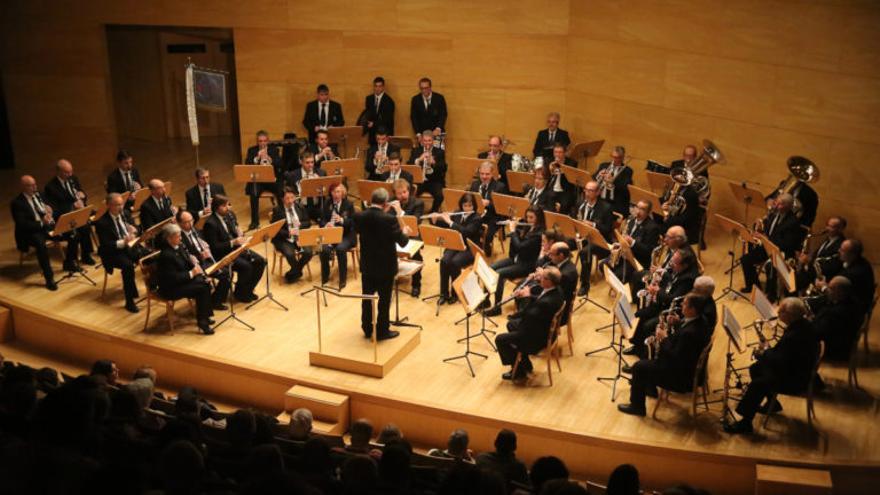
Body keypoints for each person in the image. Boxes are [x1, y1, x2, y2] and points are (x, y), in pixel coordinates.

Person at [724, 297, 820, 434]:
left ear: (790, 315)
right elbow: (785, 355)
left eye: (781, 311)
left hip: (796, 378)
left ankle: (745, 423)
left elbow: (781, 361)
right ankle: (772, 403)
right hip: (797, 367)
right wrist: (768, 352)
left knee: (758, 384)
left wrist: (763, 353)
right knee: (755, 368)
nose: (777, 313)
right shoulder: (802, 325)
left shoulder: (795, 335)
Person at [618, 293, 712, 416]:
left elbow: (675, 357)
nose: (682, 305)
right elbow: (684, 344)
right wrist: (677, 323)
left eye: (685, 304)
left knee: (639, 367)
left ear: (693, 309)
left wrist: (664, 338)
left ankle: (637, 407)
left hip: (679, 377)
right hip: (688, 367)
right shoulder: (701, 321)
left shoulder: (690, 333)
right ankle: (649, 387)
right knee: (647, 361)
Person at [353, 188, 411, 340]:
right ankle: (382, 331)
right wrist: (404, 229)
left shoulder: (360, 216)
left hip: (367, 265)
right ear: (386, 203)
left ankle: (366, 328)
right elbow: (403, 242)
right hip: (385, 267)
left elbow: (359, 231)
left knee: (367, 298)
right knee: (384, 301)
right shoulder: (389, 219)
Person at [625, 249, 699, 358]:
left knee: (647, 325)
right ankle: (637, 346)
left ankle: (644, 356)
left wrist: (657, 291)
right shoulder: (680, 270)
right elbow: (671, 283)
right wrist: (663, 275)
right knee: (641, 314)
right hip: (665, 302)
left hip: (673, 311)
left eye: (674, 263)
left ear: (684, 265)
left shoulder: (687, 279)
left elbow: (673, 299)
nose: (671, 265)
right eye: (671, 261)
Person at [495, 267, 564, 381]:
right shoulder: (557, 290)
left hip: (536, 337)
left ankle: (519, 371)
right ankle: (525, 362)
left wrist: (526, 298)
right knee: (511, 325)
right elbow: (539, 302)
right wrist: (529, 296)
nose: (540, 278)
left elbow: (528, 314)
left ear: (549, 281)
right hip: (542, 327)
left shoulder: (545, 303)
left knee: (500, 339)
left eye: (543, 277)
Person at [201, 194, 266, 302]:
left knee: (260, 261)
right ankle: (240, 293)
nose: (228, 208)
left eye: (228, 205)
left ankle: (247, 290)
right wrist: (233, 242)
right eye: (225, 206)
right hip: (223, 254)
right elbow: (214, 247)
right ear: (217, 208)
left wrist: (239, 234)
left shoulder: (229, 215)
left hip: (236, 249)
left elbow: (234, 229)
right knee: (246, 267)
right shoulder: (210, 224)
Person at [155, 223, 214, 335]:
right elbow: (173, 278)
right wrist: (192, 273)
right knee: (202, 288)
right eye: (178, 236)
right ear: (169, 238)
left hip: (181, 281)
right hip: (170, 288)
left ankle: (204, 317)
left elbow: (186, 263)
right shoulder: (166, 255)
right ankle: (203, 321)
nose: (181, 238)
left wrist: (197, 270)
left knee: (205, 283)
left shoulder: (179, 246)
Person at [486, 206, 545, 316]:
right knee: (490, 268)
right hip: (515, 259)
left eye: (532, 217)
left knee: (499, 274)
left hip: (526, 265)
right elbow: (515, 246)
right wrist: (517, 229)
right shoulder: (527, 227)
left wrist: (513, 231)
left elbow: (520, 247)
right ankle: (485, 300)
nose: (528, 220)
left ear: (539, 218)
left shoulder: (538, 234)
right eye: (527, 217)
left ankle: (497, 307)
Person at [740, 193, 802, 295]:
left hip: (781, 252)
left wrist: (766, 239)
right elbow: (768, 231)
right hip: (767, 247)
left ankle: (771, 294)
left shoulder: (793, 222)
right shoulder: (774, 214)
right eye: (777, 202)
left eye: (780, 204)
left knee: (770, 266)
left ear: (788, 206)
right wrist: (760, 228)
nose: (776, 206)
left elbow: (788, 244)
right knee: (745, 259)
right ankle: (753, 286)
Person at [94, 193, 142, 312]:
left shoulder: (125, 214)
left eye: (122, 204)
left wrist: (135, 231)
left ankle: (153, 288)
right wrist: (123, 242)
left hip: (129, 248)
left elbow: (139, 229)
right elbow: (106, 246)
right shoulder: (102, 223)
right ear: (109, 205)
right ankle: (129, 302)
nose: (120, 207)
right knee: (128, 266)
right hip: (113, 253)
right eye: (117, 205)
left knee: (150, 256)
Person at [43, 159, 95, 266]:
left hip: (77, 212)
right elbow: (56, 209)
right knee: (80, 228)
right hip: (64, 217)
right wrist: (73, 206)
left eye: (71, 171)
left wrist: (82, 198)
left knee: (86, 226)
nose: (70, 174)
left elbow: (82, 193)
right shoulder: (51, 187)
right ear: (58, 171)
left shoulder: (73, 179)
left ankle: (86, 255)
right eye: (66, 172)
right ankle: (71, 260)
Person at [434, 194, 482, 305]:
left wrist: (450, 222)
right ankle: (443, 294)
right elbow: (447, 226)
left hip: (470, 248)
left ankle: (455, 293)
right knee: (444, 261)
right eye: (465, 206)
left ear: (474, 206)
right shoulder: (457, 214)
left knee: (455, 262)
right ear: (461, 205)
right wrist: (435, 220)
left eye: (470, 206)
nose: (467, 208)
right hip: (457, 245)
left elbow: (467, 232)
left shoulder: (477, 218)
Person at [11, 175, 58, 289]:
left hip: (45, 227)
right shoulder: (17, 203)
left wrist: (50, 211)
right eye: (30, 186)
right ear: (23, 187)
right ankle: (49, 278)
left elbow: (52, 208)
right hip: (30, 232)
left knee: (70, 232)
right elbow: (23, 225)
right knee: (41, 245)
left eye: (35, 184)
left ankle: (70, 263)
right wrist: (42, 223)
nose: (34, 187)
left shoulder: (39, 195)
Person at [176, 210, 230, 309]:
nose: (190, 223)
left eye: (191, 220)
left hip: (205, 261)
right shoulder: (178, 237)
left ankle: (215, 300)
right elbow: (185, 256)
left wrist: (205, 249)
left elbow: (202, 244)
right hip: (194, 266)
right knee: (209, 281)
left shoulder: (195, 230)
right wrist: (200, 256)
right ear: (179, 223)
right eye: (186, 222)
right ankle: (210, 304)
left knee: (226, 273)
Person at [572, 180, 614, 296]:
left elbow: (608, 230)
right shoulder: (580, 203)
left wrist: (593, 225)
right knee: (562, 241)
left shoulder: (606, 208)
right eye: (586, 190)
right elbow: (575, 219)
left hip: (600, 241)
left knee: (585, 252)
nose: (586, 193)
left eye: (590, 191)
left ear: (598, 193)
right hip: (583, 236)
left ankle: (585, 285)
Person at [604, 200, 662, 282]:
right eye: (637, 207)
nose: (638, 211)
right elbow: (624, 238)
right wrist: (620, 243)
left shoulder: (652, 228)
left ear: (648, 212)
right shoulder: (631, 220)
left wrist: (632, 242)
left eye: (642, 209)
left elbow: (648, 251)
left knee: (616, 276)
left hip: (637, 259)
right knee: (602, 266)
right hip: (624, 254)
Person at [813, 276, 863, 361]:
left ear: (841, 292)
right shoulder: (850, 302)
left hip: (834, 350)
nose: (828, 290)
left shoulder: (838, 312)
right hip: (839, 342)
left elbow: (817, 332)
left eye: (831, 288)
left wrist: (806, 322)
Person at [270, 187, 313, 284]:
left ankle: (293, 273)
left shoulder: (300, 207)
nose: (290, 201)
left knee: (308, 252)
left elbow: (308, 222)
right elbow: (274, 229)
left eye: (292, 198)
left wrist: (300, 226)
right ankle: (297, 272)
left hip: (299, 236)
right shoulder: (277, 210)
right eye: (287, 198)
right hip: (284, 239)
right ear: (282, 199)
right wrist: (288, 232)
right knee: (290, 254)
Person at [389, 178, 424, 297]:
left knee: (416, 256)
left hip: (413, 236)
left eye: (404, 192)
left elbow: (415, 222)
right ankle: (389, 279)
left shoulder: (418, 203)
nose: (402, 195)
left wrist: (400, 211)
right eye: (399, 193)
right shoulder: (391, 202)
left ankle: (416, 285)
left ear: (409, 191)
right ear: (395, 194)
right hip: (396, 235)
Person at [795, 216, 845, 294]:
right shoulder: (827, 240)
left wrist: (808, 261)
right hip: (813, 271)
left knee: (794, 282)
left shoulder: (841, 245)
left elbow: (831, 266)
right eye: (827, 225)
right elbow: (818, 255)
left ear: (840, 229)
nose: (827, 228)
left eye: (831, 227)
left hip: (823, 278)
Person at [319, 182, 356, 288]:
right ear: (331, 193)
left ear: (342, 192)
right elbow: (321, 220)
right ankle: (325, 278)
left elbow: (353, 222)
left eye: (338, 191)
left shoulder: (348, 204)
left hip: (346, 235)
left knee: (340, 249)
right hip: (331, 234)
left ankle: (342, 280)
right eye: (334, 192)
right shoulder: (327, 203)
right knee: (324, 250)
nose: (336, 194)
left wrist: (342, 220)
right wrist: (326, 224)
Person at [244, 130, 283, 230]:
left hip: (271, 180)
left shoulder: (274, 150)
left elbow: (280, 165)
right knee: (253, 193)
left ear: (268, 141)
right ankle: (254, 221)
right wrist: (257, 158)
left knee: (280, 191)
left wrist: (269, 159)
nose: (262, 143)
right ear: (257, 142)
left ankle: (282, 216)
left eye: (264, 141)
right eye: (260, 141)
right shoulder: (252, 150)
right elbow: (247, 165)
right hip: (258, 181)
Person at [468, 161, 508, 254]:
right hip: (478, 214)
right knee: (467, 228)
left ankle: (486, 246)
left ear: (492, 173)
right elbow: (469, 199)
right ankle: (473, 248)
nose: (484, 177)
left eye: (487, 174)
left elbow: (502, 208)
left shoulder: (500, 186)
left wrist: (489, 203)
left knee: (488, 235)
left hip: (494, 216)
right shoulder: (475, 184)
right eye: (482, 174)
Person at [827, 238, 875, 316]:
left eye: (842, 250)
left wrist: (823, 287)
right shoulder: (862, 261)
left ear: (852, 254)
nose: (838, 251)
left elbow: (836, 293)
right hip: (851, 304)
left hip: (850, 311)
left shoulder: (854, 273)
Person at [408, 130, 447, 213]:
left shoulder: (439, 152)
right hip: (419, 181)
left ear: (433, 141)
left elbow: (444, 168)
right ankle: (413, 212)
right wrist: (419, 160)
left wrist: (434, 163)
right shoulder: (416, 150)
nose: (427, 143)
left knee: (440, 196)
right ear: (422, 141)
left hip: (434, 181)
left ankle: (433, 212)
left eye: (429, 140)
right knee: (409, 194)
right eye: (425, 140)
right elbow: (408, 165)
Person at [285, 151, 328, 221]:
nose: (310, 165)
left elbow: (326, 190)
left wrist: (320, 182)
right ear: (301, 162)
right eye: (307, 162)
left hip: (317, 206)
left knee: (325, 222)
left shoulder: (321, 173)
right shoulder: (293, 175)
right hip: (301, 207)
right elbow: (288, 192)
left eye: (312, 162)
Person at [593, 146, 633, 217]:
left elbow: (626, 188)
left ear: (622, 158)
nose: (614, 159)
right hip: (601, 199)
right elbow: (593, 180)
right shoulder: (603, 165)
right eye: (613, 156)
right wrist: (599, 175)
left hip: (615, 203)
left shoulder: (627, 171)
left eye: (617, 157)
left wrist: (613, 180)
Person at [361, 76, 394, 145]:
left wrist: (374, 124)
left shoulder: (389, 101)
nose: (377, 88)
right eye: (376, 86)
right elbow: (368, 114)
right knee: (372, 154)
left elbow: (388, 119)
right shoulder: (369, 99)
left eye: (380, 86)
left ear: (383, 87)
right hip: (372, 135)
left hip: (384, 134)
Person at [546, 143, 578, 213]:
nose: (557, 155)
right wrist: (549, 170)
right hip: (552, 189)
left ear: (565, 153)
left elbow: (570, 178)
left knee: (563, 209)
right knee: (548, 206)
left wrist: (560, 164)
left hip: (565, 190)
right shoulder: (549, 161)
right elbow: (545, 176)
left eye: (560, 152)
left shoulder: (572, 162)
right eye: (555, 152)